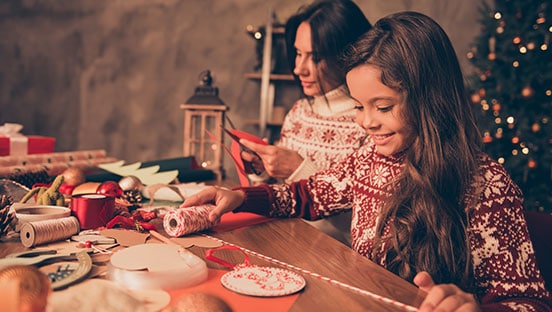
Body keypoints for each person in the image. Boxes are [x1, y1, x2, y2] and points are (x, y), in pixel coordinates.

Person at [183, 11, 552, 311]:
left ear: (430, 99)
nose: (366, 121)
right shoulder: (369, 159)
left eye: (383, 106)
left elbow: (529, 302)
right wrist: (241, 198)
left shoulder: (486, 186)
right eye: (359, 106)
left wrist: (473, 308)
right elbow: (307, 195)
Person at [241, 0, 371, 245]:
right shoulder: (298, 112)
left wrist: (299, 169)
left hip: (337, 258)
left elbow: (364, 221)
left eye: (315, 57)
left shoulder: (370, 121)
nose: (298, 68)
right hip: (289, 243)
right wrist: (262, 170)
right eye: (298, 53)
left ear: (348, 53)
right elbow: (281, 196)